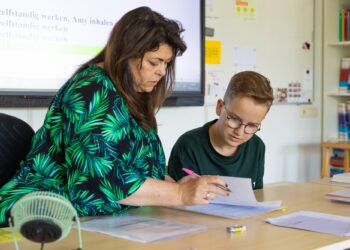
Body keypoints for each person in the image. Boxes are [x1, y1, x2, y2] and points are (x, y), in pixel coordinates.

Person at [0, 7, 229, 226]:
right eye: (154, 62)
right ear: (126, 54)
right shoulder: (90, 90)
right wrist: (179, 193)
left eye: (166, 63)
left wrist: (176, 185)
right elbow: (100, 179)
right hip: (42, 214)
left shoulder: (130, 95)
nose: (161, 71)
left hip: (102, 220)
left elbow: (136, 173)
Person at [167, 71, 274, 189]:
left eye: (252, 125)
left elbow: (257, 195)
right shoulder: (189, 146)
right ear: (220, 107)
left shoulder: (256, 146)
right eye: (234, 119)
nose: (239, 132)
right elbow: (177, 199)